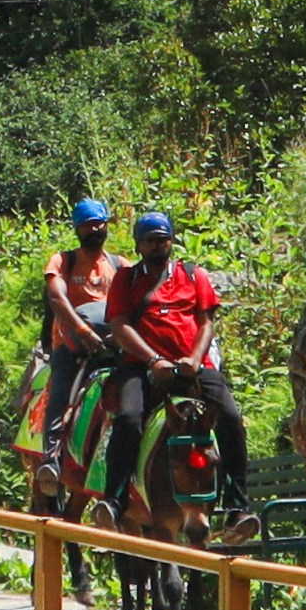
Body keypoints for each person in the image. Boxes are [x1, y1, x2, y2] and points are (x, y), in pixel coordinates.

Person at [92, 204, 247, 519]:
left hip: (191, 366)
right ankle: (115, 499)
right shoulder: (126, 279)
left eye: (161, 239)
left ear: (171, 242)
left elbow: (206, 322)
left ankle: (237, 505)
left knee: (230, 418)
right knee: (129, 419)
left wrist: (194, 358)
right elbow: (120, 325)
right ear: (138, 245)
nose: (155, 245)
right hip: (142, 367)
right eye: (149, 240)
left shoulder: (193, 275)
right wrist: (152, 361)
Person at [33, 196, 118, 497]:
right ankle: (52, 460)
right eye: (87, 225)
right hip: (71, 344)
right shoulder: (63, 261)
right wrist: (81, 330)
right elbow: (57, 298)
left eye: (98, 223)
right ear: (77, 229)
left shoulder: (119, 265)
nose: (94, 229)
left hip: (112, 344)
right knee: (61, 392)